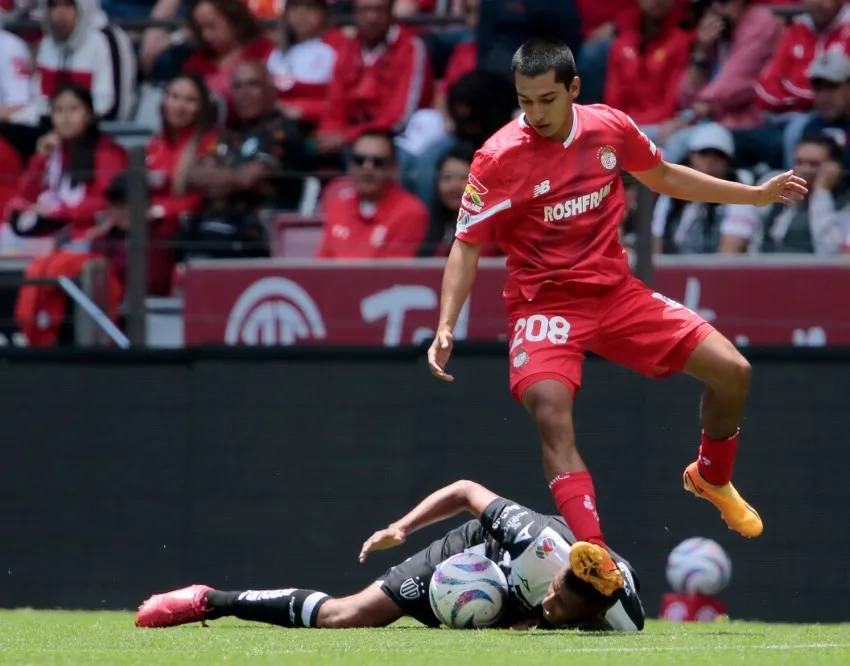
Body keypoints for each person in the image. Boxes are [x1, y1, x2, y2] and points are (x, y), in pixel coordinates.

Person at [427, 38, 807, 594]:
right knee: (551, 413)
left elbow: (665, 176)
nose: (535, 113)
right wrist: (445, 324)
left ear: (574, 89)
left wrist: (753, 196)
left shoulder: (609, 128)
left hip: (615, 294)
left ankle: (711, 476)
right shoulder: (497, 157)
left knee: (733, 371)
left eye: (547, 100)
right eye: (525, 101)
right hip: (544, 304)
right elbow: (467, 244)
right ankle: (597, 560)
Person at [135, 480, 645, 631]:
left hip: (513, 600)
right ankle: (211, 600)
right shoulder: (535, 540)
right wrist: (402, 528)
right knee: (344, 616)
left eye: (563, 605)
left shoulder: (622, 613)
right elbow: (466, 490)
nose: (552, 601)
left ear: (597, 612)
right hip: (473, 555)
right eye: (554, 590)